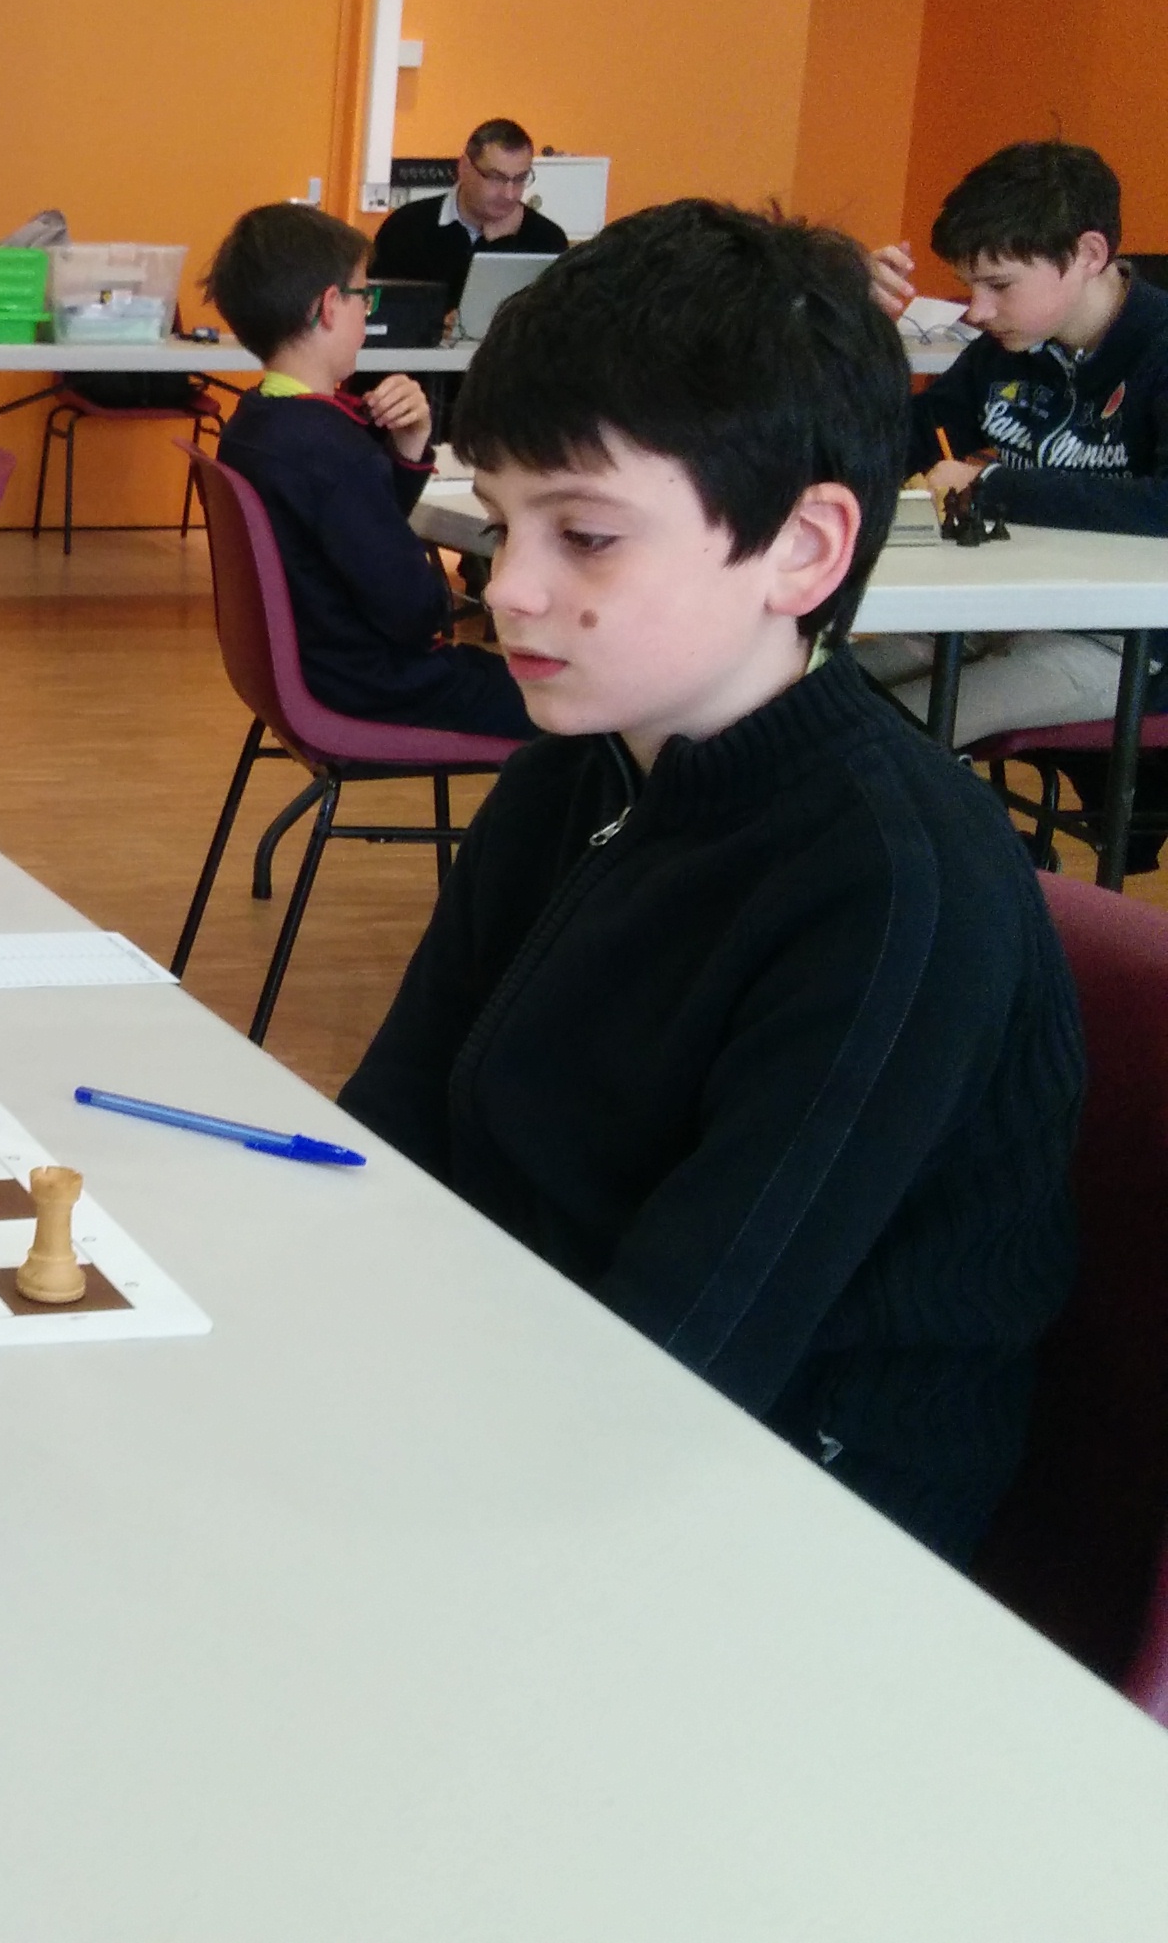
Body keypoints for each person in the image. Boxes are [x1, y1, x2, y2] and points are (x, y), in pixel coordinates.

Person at [340, 201, 1079, 1565]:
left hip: (794, 1533)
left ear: (802, 549)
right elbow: (388, 1138)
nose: (507, 589)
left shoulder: (890, 890)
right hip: (531, 1404)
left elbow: (683, 1362)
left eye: (586, 536)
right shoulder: (570, 775)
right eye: (501, 523)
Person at [854, 140, 1168, 746]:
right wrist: (851, 325)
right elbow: (890, 444)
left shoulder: (1158, 348)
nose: (977, 311)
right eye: (970, 286)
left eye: (999, 285)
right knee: (802, 689)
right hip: (1001, 609)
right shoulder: (1007, 350)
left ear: (1089, 254)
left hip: (1124, 642)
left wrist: (991, 486)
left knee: (874, 737)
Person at [203, 202, 532, 739]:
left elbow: (358, 534)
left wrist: (407, 449)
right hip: (376, 687)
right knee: (575, 710)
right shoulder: (331, 450)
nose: (367, 312)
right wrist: (446, 602)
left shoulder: (256, 422)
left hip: (319, 672)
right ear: (330, 307)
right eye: (365, 295)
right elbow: (414, 611)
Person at [365, 116, 570, 310]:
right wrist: (438, 322)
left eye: (520, 179)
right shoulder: (406, 226)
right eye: (495, 177)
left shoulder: (547, 239)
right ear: (464, 167)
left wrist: (502, 244)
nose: (509, 194)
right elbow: (378, 311)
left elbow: (553, 321)